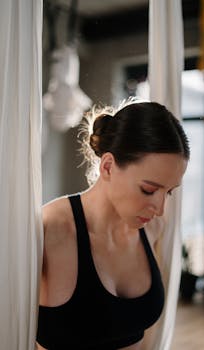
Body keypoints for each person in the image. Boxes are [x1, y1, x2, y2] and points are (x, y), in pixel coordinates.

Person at [37, 101, 190, 350]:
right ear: (108, 166)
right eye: (149, 190)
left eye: (169, 192)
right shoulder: (48, 231)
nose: (160, 209)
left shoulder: (152, 228)